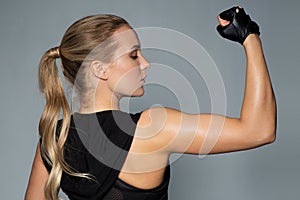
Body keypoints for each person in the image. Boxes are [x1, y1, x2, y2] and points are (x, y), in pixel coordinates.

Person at [25, 6, 277, 200]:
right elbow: (259, 130)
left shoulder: (54, 139)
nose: (145, 63)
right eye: (134, 55)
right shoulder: (152, 128)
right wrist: (249, 37)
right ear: (100, 69)